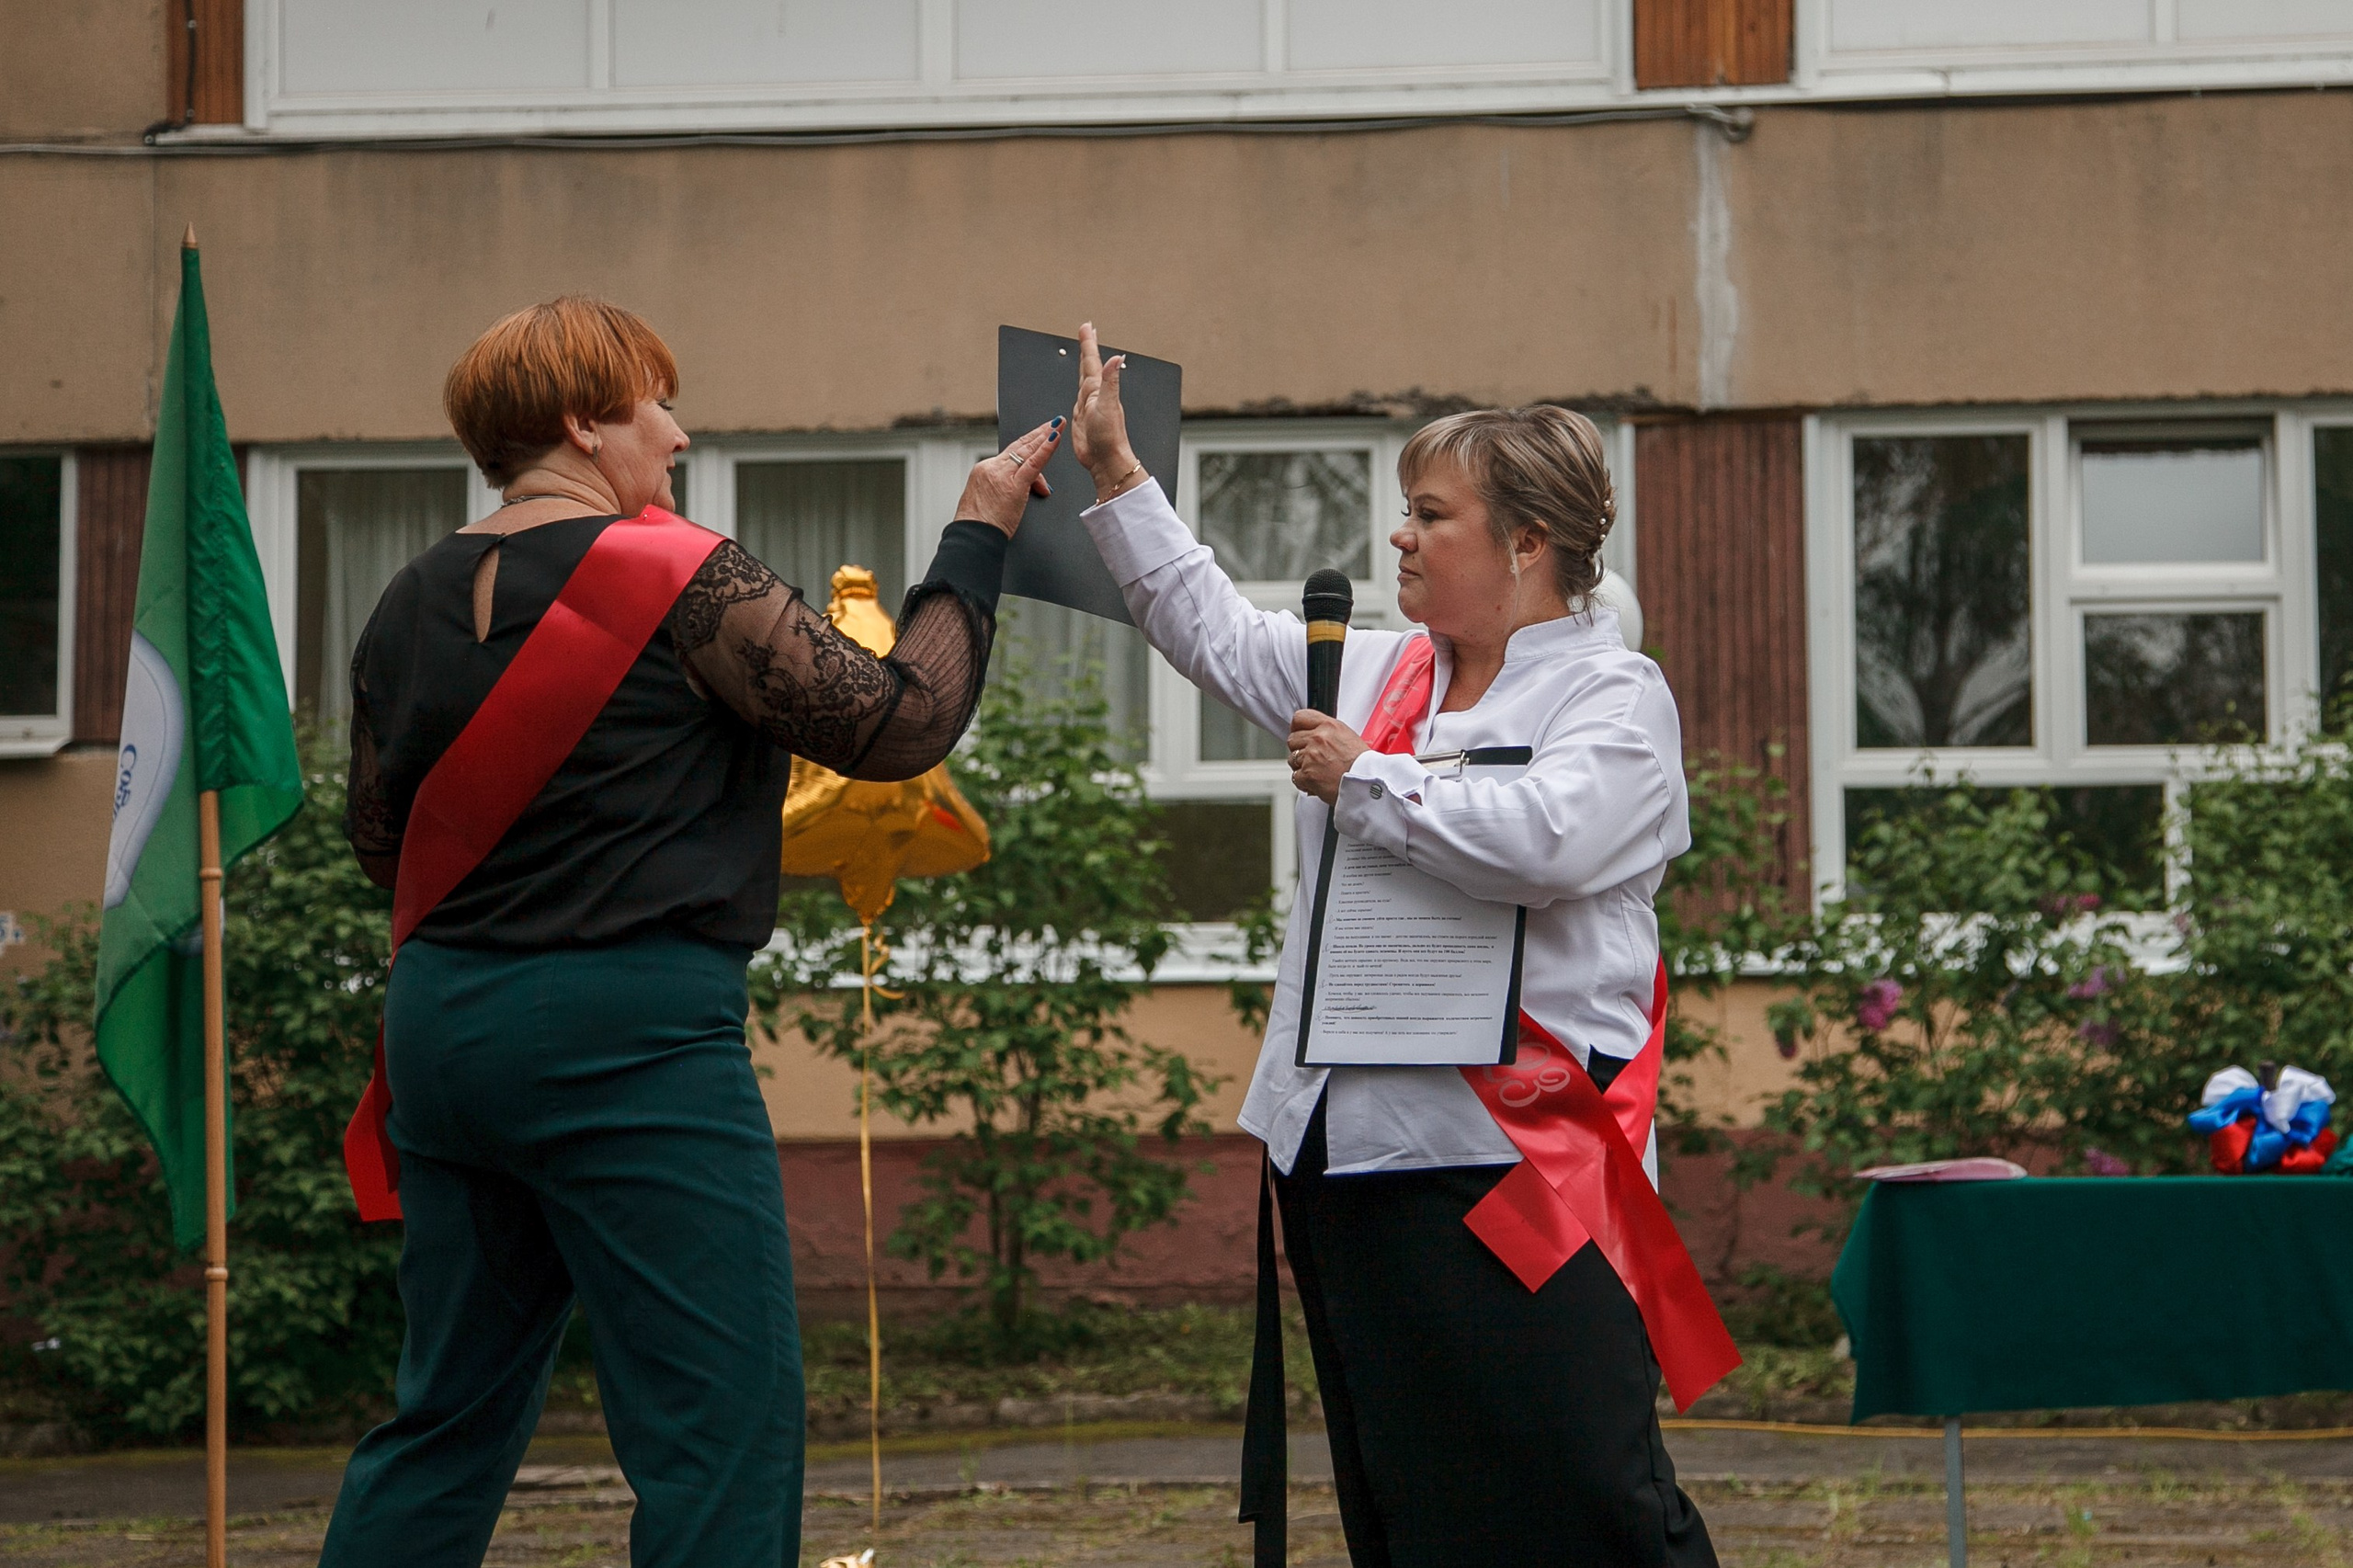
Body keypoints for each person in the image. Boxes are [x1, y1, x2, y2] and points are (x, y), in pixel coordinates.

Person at [317, 296, 1062, 1568]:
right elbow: (903, 723)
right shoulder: (677, 573)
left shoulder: (404, 597)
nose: (676, 432)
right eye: (654, 403)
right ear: (581, 423)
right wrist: (977, 533)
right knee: (719, 1428)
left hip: (442, 1030)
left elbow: (381, 839)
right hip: (630, 1033)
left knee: (443, 1418)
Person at [1068, 324, 1719, 1564]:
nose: (1399, 536)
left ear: (1528, 543)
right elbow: (1199, 619)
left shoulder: (1613, 696)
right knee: (1415, 1504)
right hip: (1353, 1158)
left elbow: (1543, 839)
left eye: (1431, 512)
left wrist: (1370, 778)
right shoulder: (1367, 669)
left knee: (1591, 1496)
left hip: (1520, 1168)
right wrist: (1116, 477)